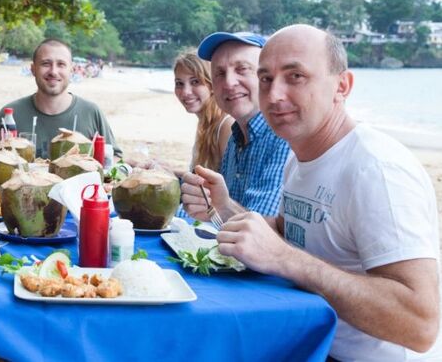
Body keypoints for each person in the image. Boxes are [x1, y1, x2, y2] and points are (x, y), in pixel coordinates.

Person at [186, 24, 442, 360]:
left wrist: (286, 260)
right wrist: (223, 208)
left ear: (342, 86)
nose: (274, 95)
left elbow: (420, 326)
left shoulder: (377, 170)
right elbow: (295, 231)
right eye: (266, 78)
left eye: (295, 76)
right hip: (310, 342)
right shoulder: (301, 156)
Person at [181, 32, 290, 217]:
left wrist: (220, 208)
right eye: (220, 73)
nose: (229, 82)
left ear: (267, 78)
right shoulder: (235, 138)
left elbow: (263, 233)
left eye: (242, 69)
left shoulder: (284, 138)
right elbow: (220, 219)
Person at [0, 38, 121, 159]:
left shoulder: (91, 112)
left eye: (61, 64)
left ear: (71, 70)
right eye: (46, 64)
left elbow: (114, 159)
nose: (53, 71)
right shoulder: (10, 115)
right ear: (33, 69)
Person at [173, 51, 233, 172]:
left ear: (212, 85)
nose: (185, 92)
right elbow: (200, 179)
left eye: (195, 82)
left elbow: (230, 187)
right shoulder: (205, 123)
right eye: (179, 83)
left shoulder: (226, 126)